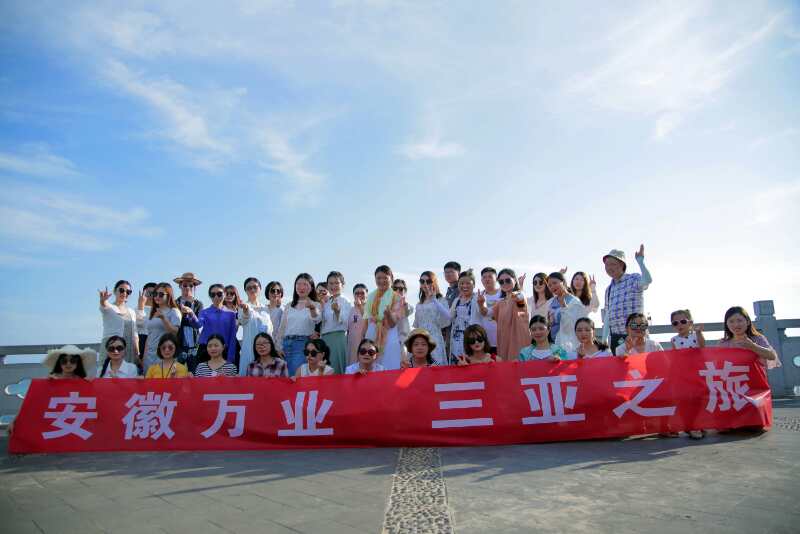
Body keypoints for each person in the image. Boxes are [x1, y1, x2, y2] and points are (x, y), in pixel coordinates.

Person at [602, 245, 653, 354]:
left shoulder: (633, 278)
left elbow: (648, 280)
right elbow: (608, 315)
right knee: (619, 365)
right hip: (616, 338)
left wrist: (640, 262)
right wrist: (603, 339)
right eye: (606, 265)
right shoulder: (608, 289)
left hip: (637, 335)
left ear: (622, 265)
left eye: (612, 264)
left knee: (639, 364)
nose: (609, 267)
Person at [275, 273, 322, 376]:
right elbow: (282, 327)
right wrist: (278, 346)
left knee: (297, 376)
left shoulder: (316, 304)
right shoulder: (289, 306)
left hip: (303, 344)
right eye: (298, 284)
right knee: (286, 377)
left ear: (311, 287)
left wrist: (312, 308)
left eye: (305, 284)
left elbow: (317, 319)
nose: (301, 287)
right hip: (286, 344)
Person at [182, 283, 239, 365]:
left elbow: (232, 337)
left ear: (224, 294)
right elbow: (198, 324)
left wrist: (230, 357)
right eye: (213, 294)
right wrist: (191, 313)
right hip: (205, 350)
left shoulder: (231, 314)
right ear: (210, 296)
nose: (216, 297)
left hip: (224, 351)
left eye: (219, 294)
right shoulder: (204, 312)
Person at [363, 265, 404, 370]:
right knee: (372, 368)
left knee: (389, 367)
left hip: (389, 336)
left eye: (385, 278)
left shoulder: (397, 297)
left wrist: (388, 314)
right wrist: (363, 341)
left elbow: (393, 323)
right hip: (372, 334)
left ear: (391, 278)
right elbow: (366, 321)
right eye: (378, 278)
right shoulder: (371, 297)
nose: (381, 281)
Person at [487, 268, 530, 361]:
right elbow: (487, 313)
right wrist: (480, 303)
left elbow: (521, 300)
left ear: (515, 280)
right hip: (504, 343)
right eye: (501, 282)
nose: (504, 283)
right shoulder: (500, 303)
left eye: (508, 280)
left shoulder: (519, 296)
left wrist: (519, 292)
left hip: (519, 341)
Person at [99, 280, 140, 368]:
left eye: (128, 292)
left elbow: (135, 335)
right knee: (107, 374)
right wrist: (103, 300)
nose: (125, 293)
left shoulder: (132, 312)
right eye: (121, 290)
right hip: (112, 348)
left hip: (128, 350)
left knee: (128, 374)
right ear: (115, 291)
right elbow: (103, 306)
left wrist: (137, 353)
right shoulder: (109, 307)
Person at [412, 271, 450, 365]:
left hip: (434, 338)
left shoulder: (441, 300)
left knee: (436, 366)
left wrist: (434, 300)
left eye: (428, 281)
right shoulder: (419, 304)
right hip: (421, 340)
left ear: (434, 282)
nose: (425, 284)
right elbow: (417, 325)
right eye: (422, 281)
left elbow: (448, 317)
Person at [237, 277, 273, 376]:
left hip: (266, 351)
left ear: (260, 288)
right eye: (249, 288)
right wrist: (245, 310)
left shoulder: (266, 308)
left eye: (255, 287)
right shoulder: (243, 307)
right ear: (245, 291)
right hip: (250, 350)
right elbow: (243, 320)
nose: (252, 290)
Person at [141, 283, 181, 371]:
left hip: (165, 353)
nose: (157, 296)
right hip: (149, 355)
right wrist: (144, 357)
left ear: (169, 295)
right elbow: (149, 335)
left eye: (161, 294)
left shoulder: (173, 311)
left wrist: (163, 318)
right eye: (155, 294)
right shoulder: (152, 312)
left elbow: (175, 332)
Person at [321, 271, 352, 374]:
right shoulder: (327, 302)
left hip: (338, 337)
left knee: (336, 369)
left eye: (336, 283)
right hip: (325, 339)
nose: (333, 286)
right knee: (326, 370)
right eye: (331, 283)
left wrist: (338, 312)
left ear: (342, 285)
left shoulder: (345, 301)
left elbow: (347, 322)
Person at [547, 272, 586, 352]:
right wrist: (549, 322)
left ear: (563, 282)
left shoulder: (575, 302)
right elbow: (547, 324)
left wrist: (564, 307)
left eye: (555, 283)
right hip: (553, 345)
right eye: (550, 285)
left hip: (570, 346)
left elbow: (576, 325)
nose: (552, 287)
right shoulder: (550, 302)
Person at [449, 270, 482, 362]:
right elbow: (450, 317)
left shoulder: (477, 298)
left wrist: (481, 304)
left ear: (474, 285)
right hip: (456, 338)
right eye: (461, 283)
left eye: (468, 283)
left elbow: (483, 312)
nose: (464, 286)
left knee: (471, 363)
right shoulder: (457, 300)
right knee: (457, 364)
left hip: (472, 338)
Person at [173, 272, 203, 368]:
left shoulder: (198, 304)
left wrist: (191, 313)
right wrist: (181, 314)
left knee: (194, 371)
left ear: (194, 287)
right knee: (178, 371)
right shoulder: (174, 303)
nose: (187, 288)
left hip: (195, 344)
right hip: (179, 344)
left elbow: (199, 324)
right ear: (180, 286)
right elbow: (173, 323)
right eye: (185, 285)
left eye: (191, 285)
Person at [478, 267, 503, 353]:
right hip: (484, 341)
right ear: (481, 280)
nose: (487, 279)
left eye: (490, 277)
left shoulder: (503, 293)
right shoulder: (478, 296)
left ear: (496, 279)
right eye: (484, 277)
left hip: (502, 339)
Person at [346, 283, 369, 365]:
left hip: (366, 344)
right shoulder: (350, 310)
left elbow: (369, 322)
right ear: (353, 295)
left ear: (367, 294)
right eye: (357, 293)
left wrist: (360, 307)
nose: (359, 295)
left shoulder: (370, 308)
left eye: (362, 293)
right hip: (352, 345)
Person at [442, 260, 461, 356]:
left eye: (451, 272)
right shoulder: (448, 291)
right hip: (448, 330)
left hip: (458, 329)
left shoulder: (462, 289)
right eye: (446, 272)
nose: (448, 274)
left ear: (459, 273)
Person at [136, 282, 157, 360]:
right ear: (144, 293)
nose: (151, 295)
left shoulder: (159, 310)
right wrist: (141, 306)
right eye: (149, 293)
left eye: (154, 293)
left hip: (155, 340)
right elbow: (139, 324)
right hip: (141, 339)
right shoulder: (137, 308)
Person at [392, 279, 414, 345]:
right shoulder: (388, 304)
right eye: (395, 288)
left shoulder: (406, 305)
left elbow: (408, 311)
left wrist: (404, 303)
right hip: (391, 337)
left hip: (403, 338)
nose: (397, 291)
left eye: (401, 289)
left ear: (405, 291)